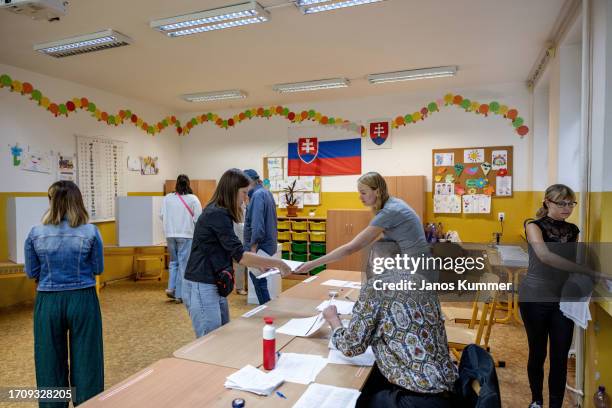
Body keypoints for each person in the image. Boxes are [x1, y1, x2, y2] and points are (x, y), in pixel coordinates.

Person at [322, 267, 457, 407]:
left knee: (357, 399)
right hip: (450, 388)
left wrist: (334, 321)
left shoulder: (375, 287)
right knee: (373, 380)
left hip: (418, 397)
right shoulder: (422, 280)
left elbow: (351, 346)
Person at [24, 181, 104, 407]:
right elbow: (97, 268)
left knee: (49, 359)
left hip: (48, 300)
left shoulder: (35, 233)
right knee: (87, 358)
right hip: (83, 298)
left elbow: (32, 272)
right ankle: (89, 402)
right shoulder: (91, 231)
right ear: (78, 202)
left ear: (51, 202)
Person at [184, 168, 291, 337]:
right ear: (232, 191)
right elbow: (240, 255)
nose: (245, 199)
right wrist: (278, 263)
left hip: (215, 281)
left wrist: (258, 265)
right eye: (243, 193)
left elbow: (229, 251)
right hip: (203, 282)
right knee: (210, 340)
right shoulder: (216, 214)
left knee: (223, 333)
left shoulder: (222, 213)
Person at [519, 184, 595, 408]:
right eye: (561, 203)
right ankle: (536, 401)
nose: (567, 208)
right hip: (534, 297)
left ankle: (555, 405)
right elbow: (545, 256)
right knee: (538, 352)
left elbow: (575, 262)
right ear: (547, 202)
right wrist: (587, 271)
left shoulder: (573, 230)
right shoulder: (533, 225)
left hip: (562, 299)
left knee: (560, 357)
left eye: (570, 203)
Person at [295, 171, 430, 275]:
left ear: (377, 191)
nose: (360, 197)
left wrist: (312, 264)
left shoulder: (389, 212)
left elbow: (351, 248)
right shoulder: (393, 203)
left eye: (363, 193)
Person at [160, 174, 202, 305]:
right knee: (184, 264)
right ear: (188, 184)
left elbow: (161, 215)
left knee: (174, 262)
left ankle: (171, 288)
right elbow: (199, 218)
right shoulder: (193, 199)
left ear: (176, 184)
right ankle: (179, 295)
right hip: (186, 235)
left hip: (170, 234)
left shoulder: (167, 198)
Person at [243, 169, 278, 304]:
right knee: (259, 280)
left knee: (259, 282)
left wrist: (253, 250)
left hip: (259, 247)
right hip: (267, 245)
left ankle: (266, 312)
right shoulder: (266, 192)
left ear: (250, 181)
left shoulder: (257, 195)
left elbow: (257, 226)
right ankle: (266, 311)